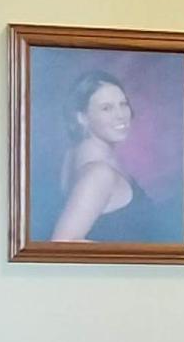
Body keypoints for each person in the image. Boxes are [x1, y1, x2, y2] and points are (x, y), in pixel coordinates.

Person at [48, 70, 175, 244]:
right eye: (106, 108)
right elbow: (63, 243)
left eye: (123, 104)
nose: (121, 115)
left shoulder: (77, 154)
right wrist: (128, 257)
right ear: (82, 118)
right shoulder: (99, 174)